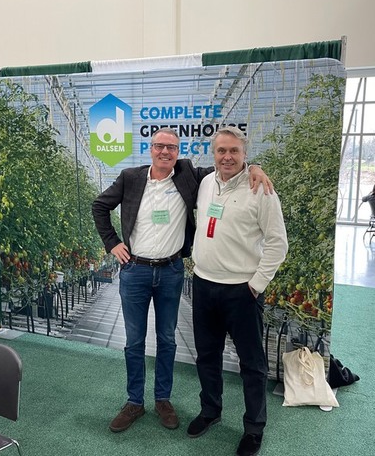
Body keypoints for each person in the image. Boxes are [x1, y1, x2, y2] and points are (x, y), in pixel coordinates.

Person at [91, 127, 272, 433]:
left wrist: (255, 167)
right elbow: (99, 206)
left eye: (172, 147)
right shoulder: (130, 177)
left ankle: (163, 399)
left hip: (171, 271)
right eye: (160, 146)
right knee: (134, 341)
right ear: (150, 149)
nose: (165, 152)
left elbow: (229, 165)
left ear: (178, 152)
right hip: (135, 270)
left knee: (167, 339)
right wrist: (112, 243)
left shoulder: (188, 174)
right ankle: (134, 401)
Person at [187, 127, 287, 456]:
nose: (227, 157)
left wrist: (256, 285)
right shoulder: (205, 183)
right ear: (213, 154)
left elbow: (278, 244)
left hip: (242, 292)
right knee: (207, 356)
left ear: (245, 154)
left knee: (252, 365)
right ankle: (210, 411)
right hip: (203, 284)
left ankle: (254, 428)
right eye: (221, 151)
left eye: (234, 151)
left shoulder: (261, 190)